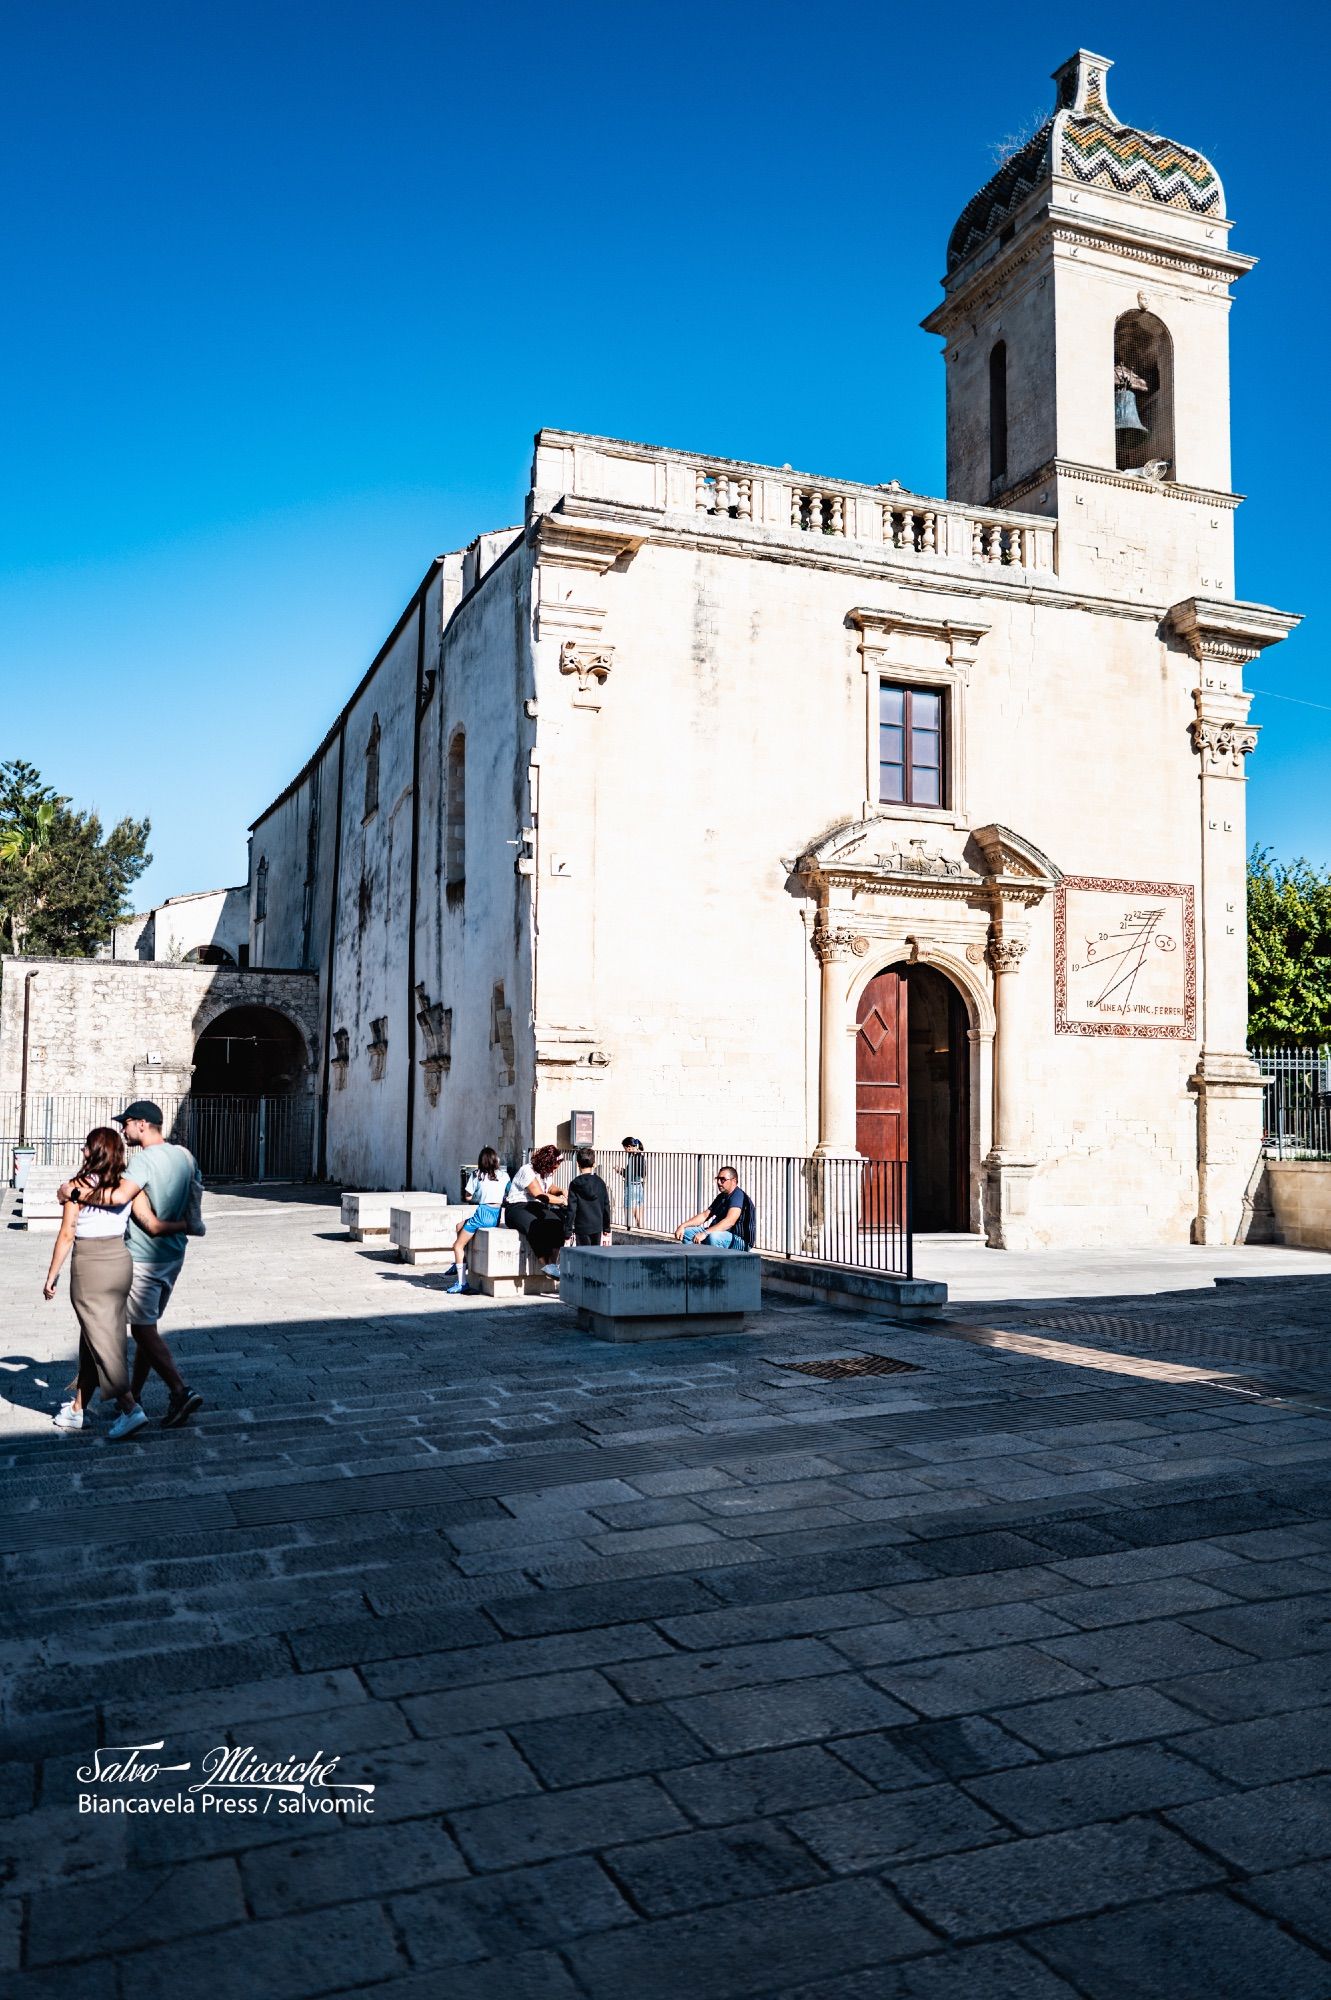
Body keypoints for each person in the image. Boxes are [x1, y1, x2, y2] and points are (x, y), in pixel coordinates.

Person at [62, 1101, 205, 1428]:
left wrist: (73, 1192)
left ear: (142, 1124)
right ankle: (134, 1396)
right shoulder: (186, 1157)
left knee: (140, 1329)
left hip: (143, 1257)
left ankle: (179, 1390)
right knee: (146, 1329)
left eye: (126, 1124)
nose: (123, 1131)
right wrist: (188, 1227)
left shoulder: (142, 1164)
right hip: (174, 1256)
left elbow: (117, 1198)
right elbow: (194, 1207)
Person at [443, 1146, 505, 1296]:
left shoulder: (477, 1175)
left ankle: (462, 1282)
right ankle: (460, 1262)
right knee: (459, 1225)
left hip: (482, 1214)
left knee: (457, 1246)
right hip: (496, 1214)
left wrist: (480, 1197)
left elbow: (468, 1197)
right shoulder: (504, 1175)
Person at [504, 1144, 567, 1276]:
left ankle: (553, 1264)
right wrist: (562, 1201)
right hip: (517, 1207)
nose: (555, 1170)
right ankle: (546, 1264)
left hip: (536, 1206)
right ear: (546, 1163)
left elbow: (549, 1188)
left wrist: (561, 1191)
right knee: (535, 1226)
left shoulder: (546, 1172)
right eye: (554, 1167)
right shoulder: (527, 1170)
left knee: (558, 1223)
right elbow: (539, 1194)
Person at [674, 1165, 756, 1251]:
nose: (719, 1182)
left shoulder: (738, 1196)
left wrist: (705, 1233)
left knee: (714, 1237)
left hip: (739, 1241)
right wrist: (683, 1226)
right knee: (687, 1233)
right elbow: (705, 1215)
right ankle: (697, 1261)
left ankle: (715, 1263)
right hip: (723, 1235)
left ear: (734, 1181)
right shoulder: (722, 1197)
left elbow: (730, 1221)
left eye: (723, 1179)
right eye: (718, 1179)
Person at [565, 1147, 612, 1247]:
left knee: (583, 1257)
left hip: (581, 1227)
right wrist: (606, 1228)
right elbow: (606, 1206)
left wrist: (567, 1232)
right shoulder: (600, 1182)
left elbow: (571, 1209)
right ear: (594, 1164)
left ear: (578, 1164)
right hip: (597, 1227)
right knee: (596, 1256)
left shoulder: (575, 1184)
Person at [619, 1137, 646, 1232]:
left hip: (632, 1186)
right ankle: (641, 1227)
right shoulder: (641, 1155)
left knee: (629, 1207)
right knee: (638, 1207)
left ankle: (628, 1227)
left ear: (629, 1147)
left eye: (625, 1148)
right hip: (639, 1186)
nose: (625, 1151)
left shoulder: (634, 1157)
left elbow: (631, 1174)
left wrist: (620, 1170)